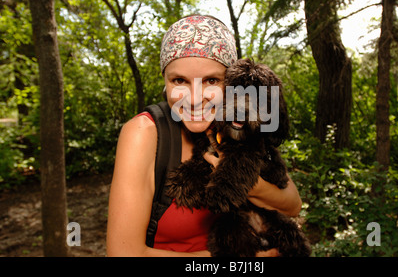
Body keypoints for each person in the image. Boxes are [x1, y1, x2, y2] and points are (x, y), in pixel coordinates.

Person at [106, 14, 302, 257]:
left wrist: (243, 180)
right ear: (165, 82)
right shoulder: (143, 134)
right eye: (179, 80)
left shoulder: (238, 124)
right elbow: (123, 254)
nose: (196, 98)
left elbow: (293, 204)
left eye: (211, 80)